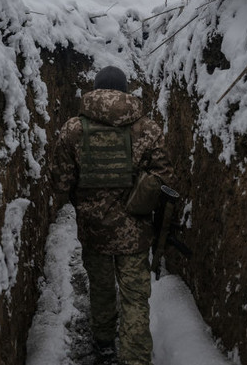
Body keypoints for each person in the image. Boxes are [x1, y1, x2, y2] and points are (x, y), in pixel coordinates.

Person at [51, 66, 173, 365]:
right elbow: (164, 175)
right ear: (126, 91)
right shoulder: (147, 128)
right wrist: (137, 199)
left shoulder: (73, 129)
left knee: (102, 288)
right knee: (135, 298)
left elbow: (61, 183)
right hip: (136, 228)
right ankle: (136, 359)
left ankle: (104, 343)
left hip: (94, 229)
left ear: (94, 90)